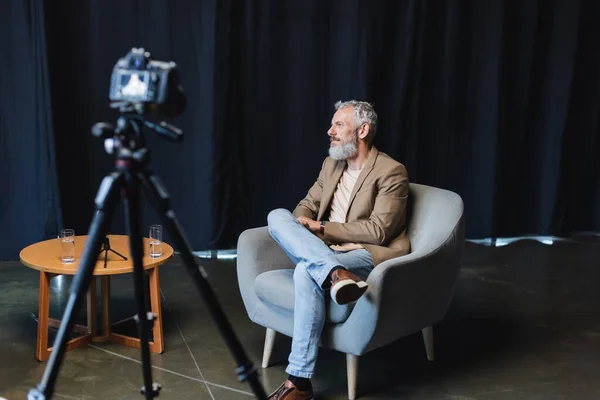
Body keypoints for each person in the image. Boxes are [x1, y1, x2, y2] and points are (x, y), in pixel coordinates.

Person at [266, 100, 411, 400]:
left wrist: (320, 229)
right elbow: (307, 205)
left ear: (363, 130)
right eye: (332, 125)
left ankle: (299, 383)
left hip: (366, 252)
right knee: (276, 216)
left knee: (307, 271)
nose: (329, 131)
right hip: (328, 253)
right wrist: (301, 226)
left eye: (339, 125)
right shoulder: (331, 164)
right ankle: (334, 273)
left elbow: (378, 231)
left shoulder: (391, 171)